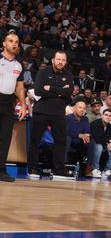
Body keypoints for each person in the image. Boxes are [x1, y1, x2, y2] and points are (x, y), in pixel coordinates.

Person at [28, 50, 73, 180]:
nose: (61, 62)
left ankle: (59, 170)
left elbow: (69, 91)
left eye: (63, 60)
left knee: (61, 142)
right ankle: (33, 168)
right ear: (53, 60)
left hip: (59, 113)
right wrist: (60, 91)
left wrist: (50, 88)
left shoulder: (68, 74)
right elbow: (38, 90)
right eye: (58, 59)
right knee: (35, 141)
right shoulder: (43, 72)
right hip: (41, 111)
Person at [0, 31, 27, 182]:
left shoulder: (19, 64)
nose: (14, 44)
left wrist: (23, 105)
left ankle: (1, 170)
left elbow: (20, 87)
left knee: (5, 137)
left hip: (8, 102)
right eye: (10, 41)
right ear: (4, 44)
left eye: (16, 42)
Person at [89, 108, 111, 177]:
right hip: (93, 146)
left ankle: (107, 170)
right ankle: (95, 169)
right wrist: (108, 141)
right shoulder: (95, 124)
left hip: (104, 146)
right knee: (99, 146)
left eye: (110, 116)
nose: (108, 117)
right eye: (106, 115)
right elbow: (97, 138)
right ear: (102, 115)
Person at [65, 99, 91, 173]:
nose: (82, 110)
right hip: (69, 141)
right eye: (80, 108)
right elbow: (65, 132)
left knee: (89, 141)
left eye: (84, 108)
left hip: (79, 142)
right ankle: (63, 164)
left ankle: (87, 167)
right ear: (75, 108)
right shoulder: (67, 118)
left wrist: (86, 136)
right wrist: (78, 135)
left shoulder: (85, 119)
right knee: (68, 138)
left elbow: (87, 132)